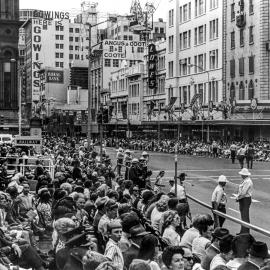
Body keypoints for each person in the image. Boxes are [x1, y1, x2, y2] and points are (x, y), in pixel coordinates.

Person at [235, 168, 253, 234]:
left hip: (245, 199)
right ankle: (243, 231)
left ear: (245, 175)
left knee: (245, 216)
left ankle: (245, 232)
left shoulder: (247, 181)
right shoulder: (245, 180)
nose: (241, 175)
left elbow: (243, 192)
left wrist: (238, 198)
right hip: (244, 199)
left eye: (242, 174)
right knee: (243, 216)